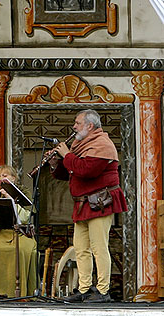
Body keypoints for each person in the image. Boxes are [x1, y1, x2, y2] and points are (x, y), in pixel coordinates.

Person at [48, 109, 127, 303]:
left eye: (77, 123)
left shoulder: (103, 145)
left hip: (100, 203)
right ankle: (84, 289)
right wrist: (54, 162)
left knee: (99, 248)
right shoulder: (80, 145)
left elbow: (85, 170)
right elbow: (68, 173)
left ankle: (103, 291)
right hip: (83, 204)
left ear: (90, 126)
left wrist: (66, 154)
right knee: (81, 248)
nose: (74, 127)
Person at [0, 165, 37, 297]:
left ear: (14, 178)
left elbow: (24, 218)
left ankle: (18, 292)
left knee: (21, 251)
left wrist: (10, 199)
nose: (1, 179)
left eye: (5, 176)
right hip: (2, 233)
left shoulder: (23, 193)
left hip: (21, 234)